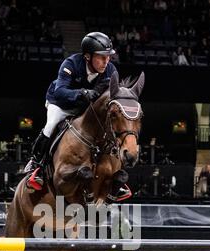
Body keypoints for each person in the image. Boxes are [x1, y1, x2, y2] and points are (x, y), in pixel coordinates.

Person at [24, 32, 130, 199]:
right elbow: (60, 91)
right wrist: (81, 93)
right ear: (87, 56)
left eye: (108, 57)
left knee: (107, 128)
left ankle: (116, 176)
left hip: (86, 108)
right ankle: (36, 166)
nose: (106, 61)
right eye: (102, 57)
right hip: (61, 103)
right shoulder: (71, 63)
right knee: (51, 124)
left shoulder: (110, 70)